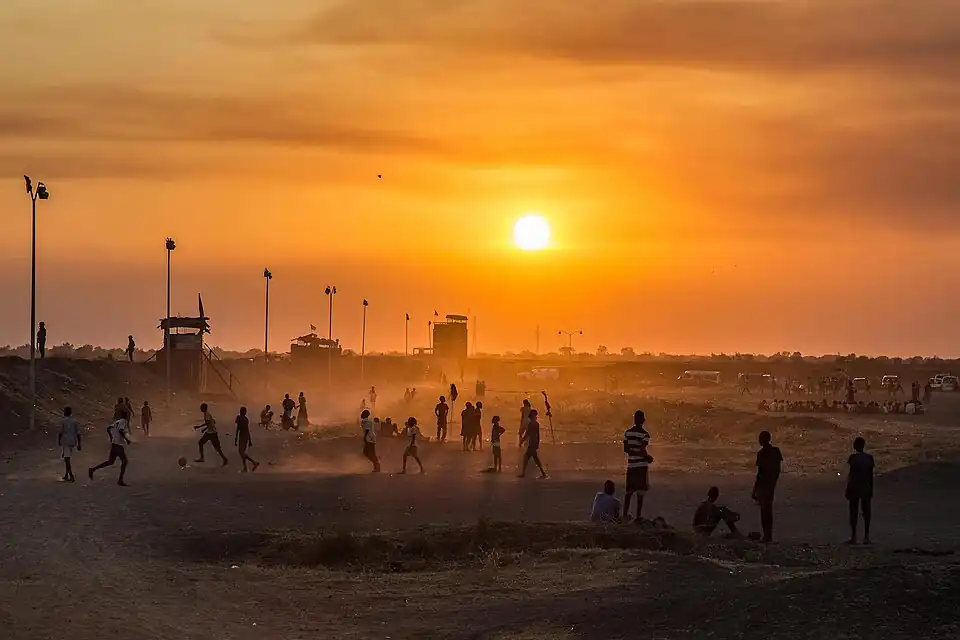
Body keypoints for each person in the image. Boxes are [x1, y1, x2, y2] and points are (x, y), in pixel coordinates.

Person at [752, 430, 783, 543]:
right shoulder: (775, 451)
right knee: (766, 510)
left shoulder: (762, 453)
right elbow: (777, 470)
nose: (759, 440)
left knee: (765, 511)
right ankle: (767, 535)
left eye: (761, 438)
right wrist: (773, 482)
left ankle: (767, 535)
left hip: (765, 484)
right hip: (768, 484)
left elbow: (760, 473)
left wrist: (755, 489)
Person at [623, 410, 652, 523]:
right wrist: (647, 457)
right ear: (643, 420)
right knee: (640, 493)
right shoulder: (645, 434)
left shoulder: (627, 433)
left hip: (631, 465)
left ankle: (625, 515)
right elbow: (642, 449)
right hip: (641, 466)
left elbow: (626, 450)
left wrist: (633, 452)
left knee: (629, 492)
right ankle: (638, 516)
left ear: (634, 419)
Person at [89, 409, 130, 486]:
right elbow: (121, 430)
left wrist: (111, 437)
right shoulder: (124, 421)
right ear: (126, 416)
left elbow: (108, 428)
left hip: (114, 444)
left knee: (110, 461)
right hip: (118, 445)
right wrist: (127, 439)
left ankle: (93, 469)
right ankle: (120, 480)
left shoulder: (117, 421)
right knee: (124, 462)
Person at [846, 437, 875, 545]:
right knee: (866, 512)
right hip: (865, 486)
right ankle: (866, 537)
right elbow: (870, 475)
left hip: (855, 486)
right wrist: (871, 488)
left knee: (853, 511)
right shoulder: (869, 458)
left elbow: (851, 474)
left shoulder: (853, 458)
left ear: (855, 446)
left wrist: (848, 488)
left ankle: (854, 537)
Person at [518, 409, 547, 478]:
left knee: (527, 458)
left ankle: (524, 473)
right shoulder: (536, 424)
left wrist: (521, 441)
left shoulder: (532, 424)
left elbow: (527, 434)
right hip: (534, 443)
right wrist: (537, 443)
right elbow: (538, 435)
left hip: (532, 444)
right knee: (534, 459)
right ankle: (543, 473)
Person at [58, 406, 82, 482]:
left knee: (66, 459)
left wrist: (59, 440)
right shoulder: (75, 421)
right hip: (73, 441)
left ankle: (71, 475)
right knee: (67, 457)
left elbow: (60, 432)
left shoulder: (63, 421)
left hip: (65, 441)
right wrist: (79, 443)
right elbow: (78, 433)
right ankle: (66, 474)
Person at [234, 406, 259, 473]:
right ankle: (246, 467)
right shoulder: (246, 419)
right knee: (242, 452)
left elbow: (238, 428)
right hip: (245, 437)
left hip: (242, 437)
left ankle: (253, 463)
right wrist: (250, 440)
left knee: (241, 452)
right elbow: (247, 430)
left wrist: (236, 438)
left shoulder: (239, 418)